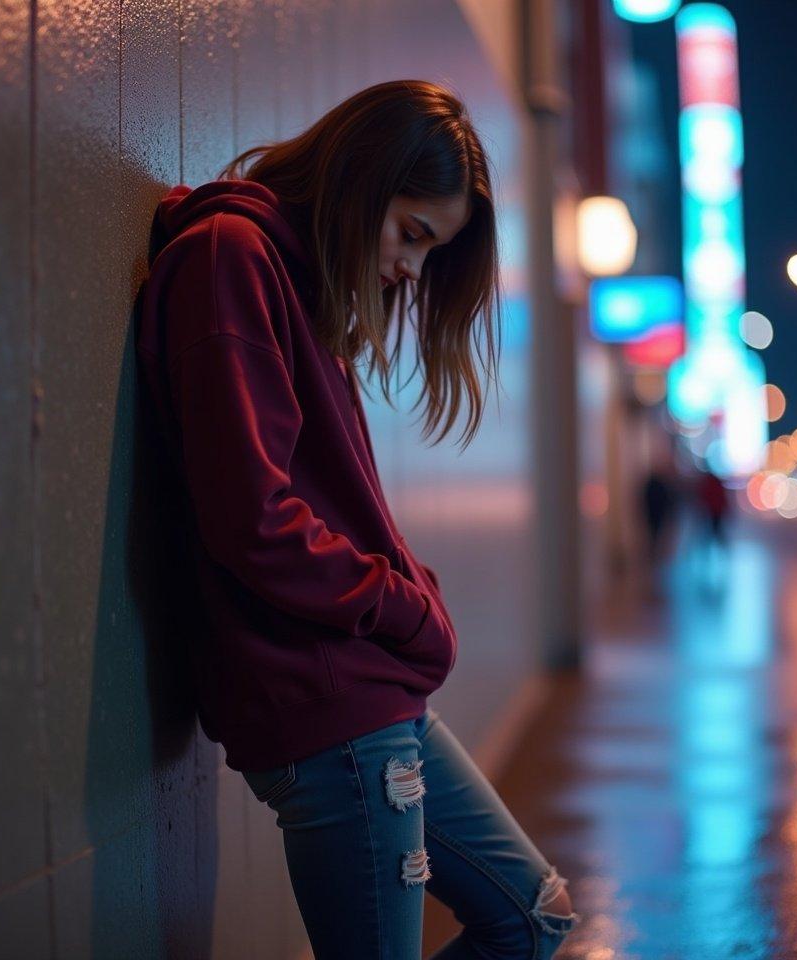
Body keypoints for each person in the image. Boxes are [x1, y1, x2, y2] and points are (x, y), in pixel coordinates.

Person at [136, 79, 579, 959]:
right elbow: (255, 521)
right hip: (328, 714)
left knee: (532, 916)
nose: (412, 268)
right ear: (360, 178)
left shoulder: (295, 285)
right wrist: (404, 604)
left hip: (368, 700)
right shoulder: (231, 259)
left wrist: (409, 592)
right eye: (412, 233)